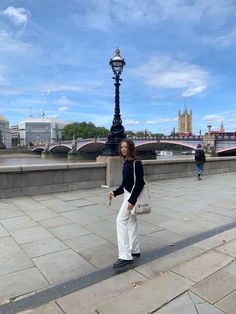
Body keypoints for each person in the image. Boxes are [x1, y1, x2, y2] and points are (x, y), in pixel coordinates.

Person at [108, 139, 145, 270]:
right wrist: (115, 192)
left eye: (126, 147)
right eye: (122, 147)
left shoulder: (136, 162)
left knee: (120, 221)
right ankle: (135, 250)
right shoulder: (126, 163)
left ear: (131, 148)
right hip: (127, 194)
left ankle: (125, 256)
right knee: (131, 222)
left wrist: (131, 200)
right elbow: (125, 184)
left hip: (131, 197)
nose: (123, 149)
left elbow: (140, 183)